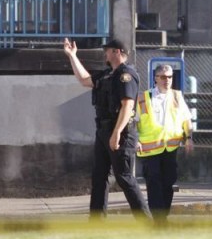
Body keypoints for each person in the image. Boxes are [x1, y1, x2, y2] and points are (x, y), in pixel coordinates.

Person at [63, 37, 151, 219]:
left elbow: (127, 106)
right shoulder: (108, 74)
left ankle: (146, 223)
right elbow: (85, 80)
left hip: (121, 133)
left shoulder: (126, 75)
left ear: (117, 52)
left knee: (124, 178)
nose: (105, 53)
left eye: (108, 50)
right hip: (103, 131)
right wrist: (72, 56)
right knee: (99, 177)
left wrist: (117, 133)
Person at [136, 64, 193, 221]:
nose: (167, 80)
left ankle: (163, 215)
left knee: (169, 182)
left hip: (170, 148)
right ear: (156, 78)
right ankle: (158, 218)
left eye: (169, 77)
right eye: (163, 77)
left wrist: (188, 138)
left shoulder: (176, 96)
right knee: (154, 182)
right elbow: (132, 121)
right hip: (149, 150)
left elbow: (186, 119)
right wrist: (135, 139)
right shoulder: (143, 98)